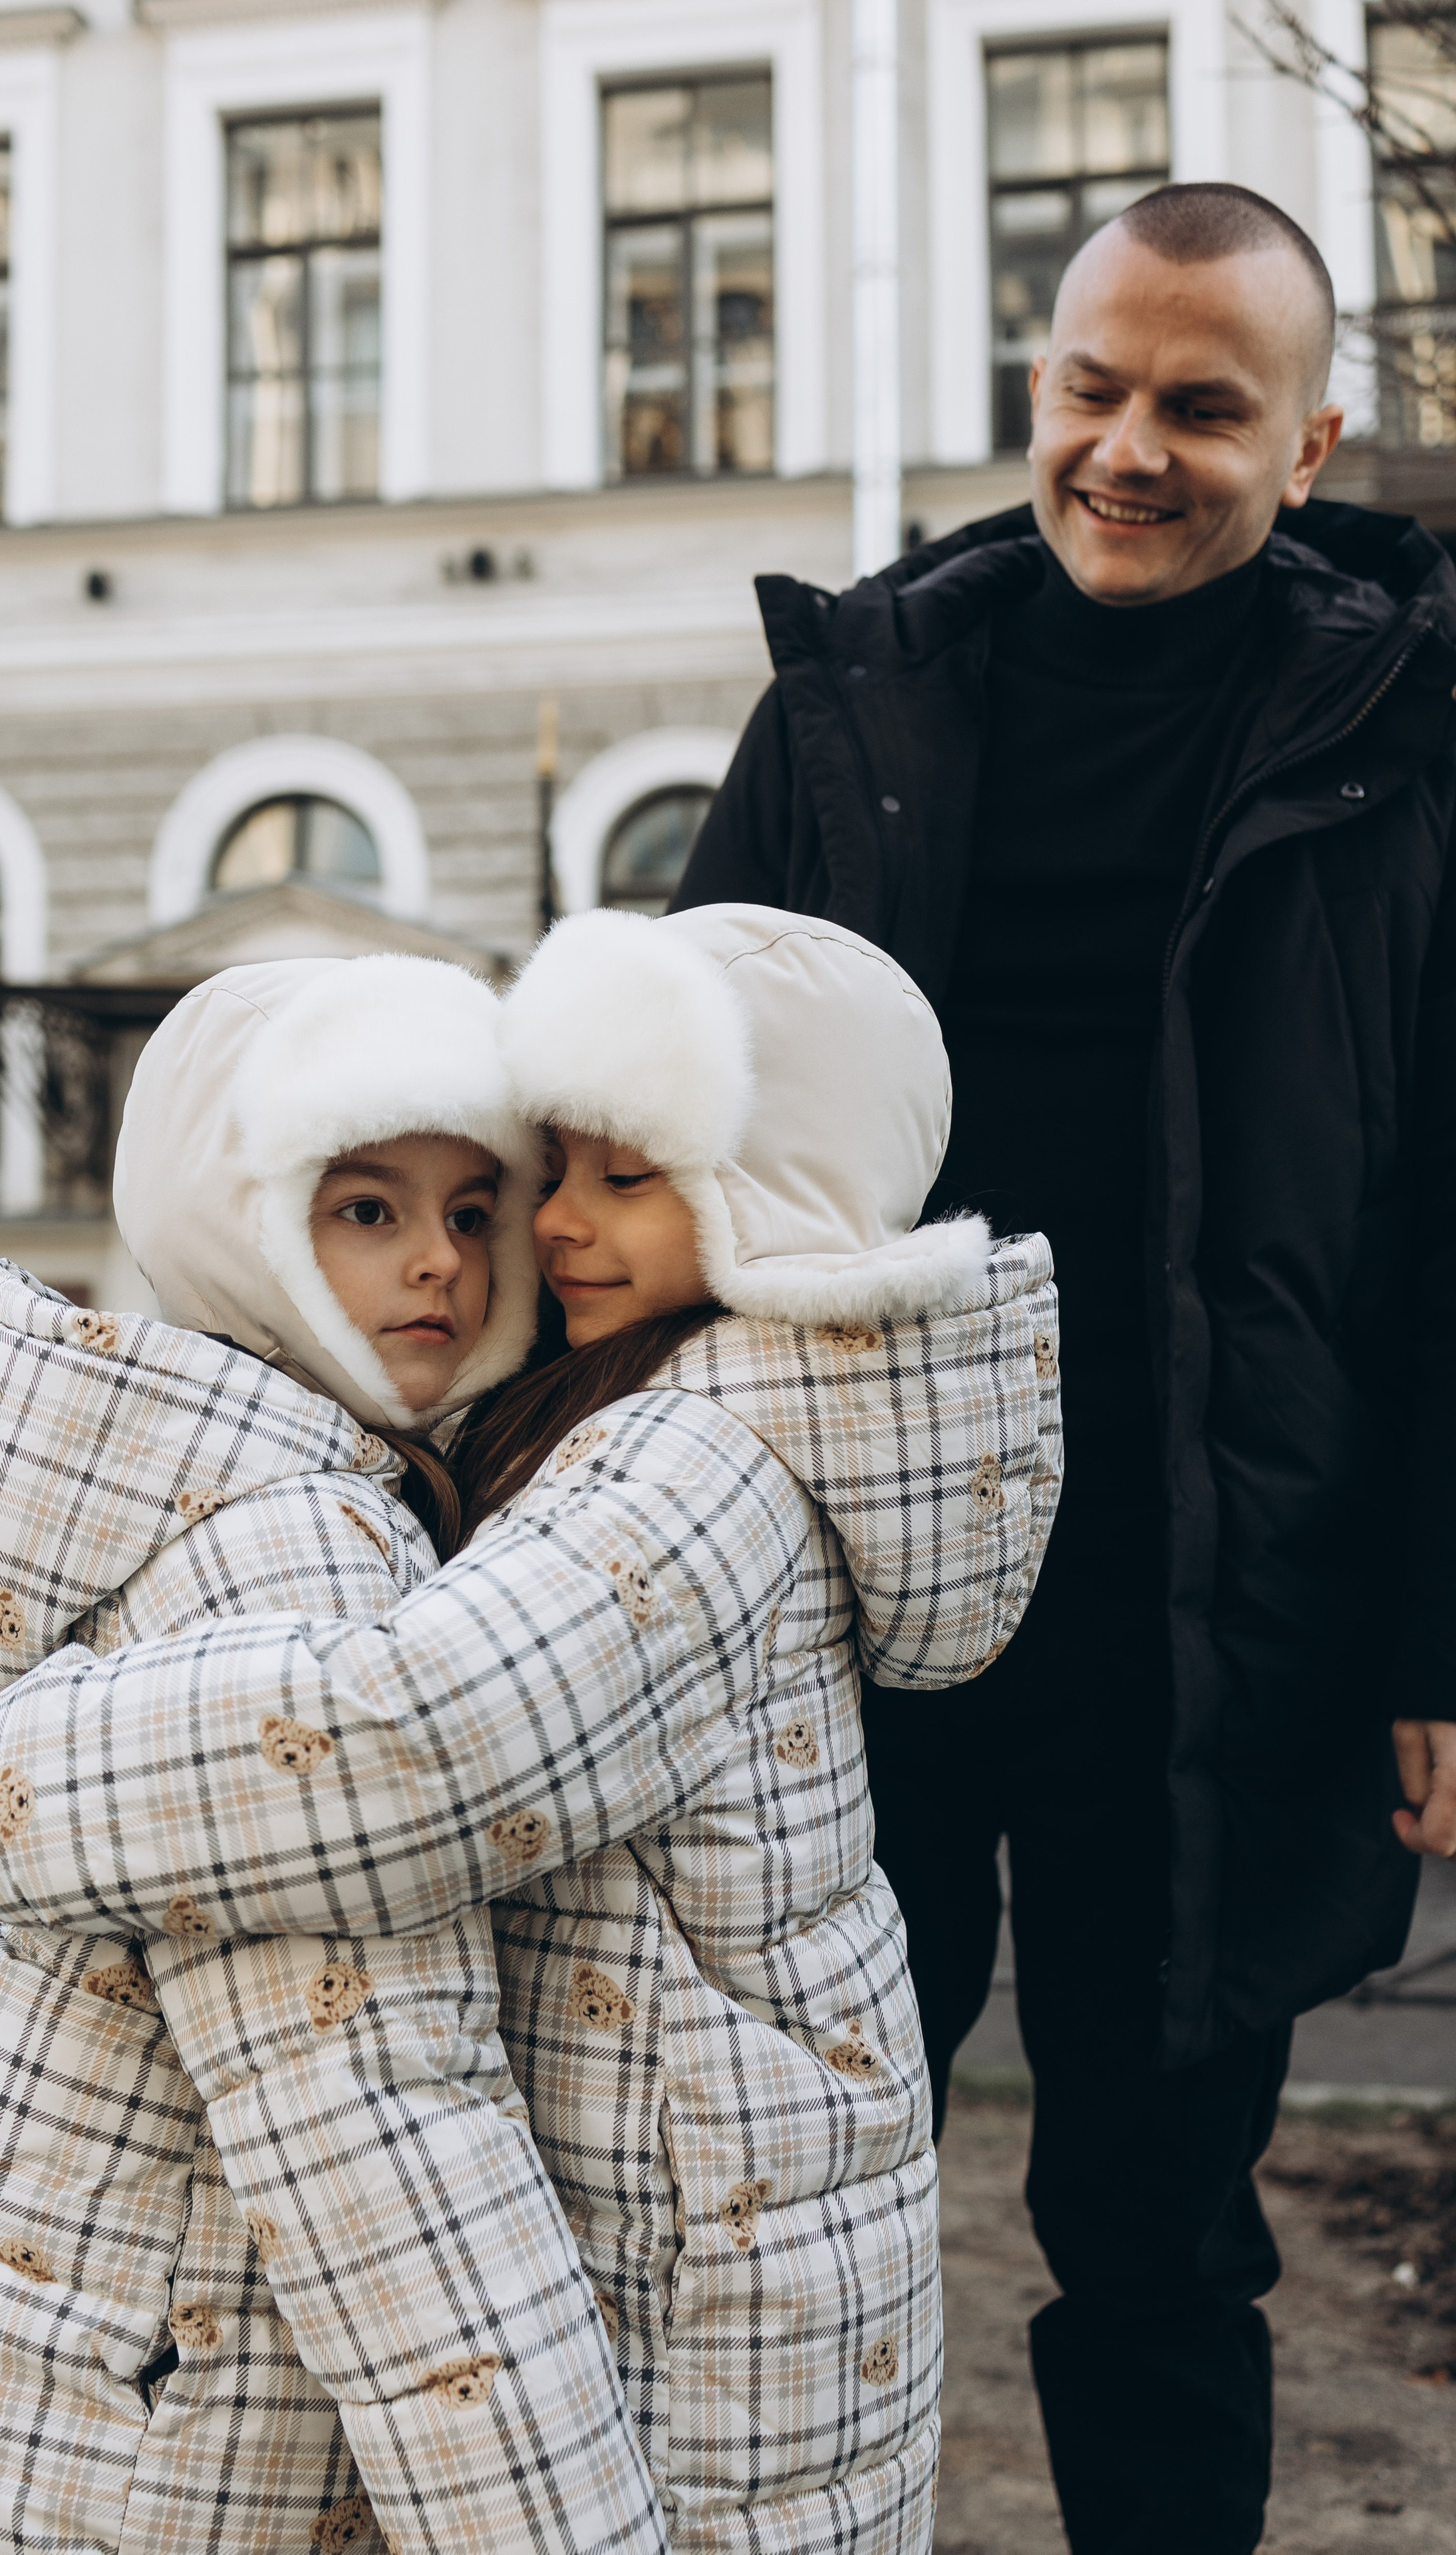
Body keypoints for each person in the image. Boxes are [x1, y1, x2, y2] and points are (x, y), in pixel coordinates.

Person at [0, 904, 1064, 2555]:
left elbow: (408, 1747)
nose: (547, 1226)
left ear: (770, 1190)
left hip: (695, 2286)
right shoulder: (671, 1421)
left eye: (623, 1176)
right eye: (556, 1169)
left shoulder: (693, 1472)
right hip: (726, 2247)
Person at [670, 181, 1456, 2552]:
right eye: (1092, 389)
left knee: (1161, 2242)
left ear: (1309, 444)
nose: (1129, 448)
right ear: (1039, 386)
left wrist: (1439, 1633)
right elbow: (664, 1126)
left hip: (1214, 1615)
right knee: (781, 2218)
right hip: (844, 1606)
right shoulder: (859, 701)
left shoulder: (1411, 736)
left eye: (1201, 408)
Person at [0, 955, 664, 2555]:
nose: (439, 1261)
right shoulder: (290, 1553)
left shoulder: (205, 1472)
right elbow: (380, 2132)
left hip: (49, 2364)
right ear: (237, 1220)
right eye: (363, 1209)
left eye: (472, 1210)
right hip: (154, 2417)